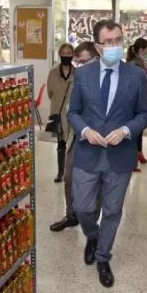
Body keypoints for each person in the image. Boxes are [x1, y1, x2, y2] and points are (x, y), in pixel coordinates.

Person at [67, 20, 147, 288]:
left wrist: (126, 130)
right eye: (109, 42)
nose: (115, 45)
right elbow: (73, 112)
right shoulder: (83, 74)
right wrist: (85, 131)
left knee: (113, 211)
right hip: (88, 152)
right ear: (97, 47)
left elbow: (144, 114)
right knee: (83, 208)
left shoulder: (135, 75)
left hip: (120, 156)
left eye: (118, 40)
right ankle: (93, 236)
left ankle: (103, 257)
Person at [50, 41, 98, 232]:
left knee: (94, 182)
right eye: (78, 62)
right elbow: (71, 106)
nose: (79, 65)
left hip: (98, 139)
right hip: (77, 135)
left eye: (83, 61)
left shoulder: (104, 79)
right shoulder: (79, 78)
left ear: (96, 58)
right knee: (69, 177)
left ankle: (91, 220)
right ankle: (71, 215)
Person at [47, 43, 74, 183]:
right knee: (61, 143)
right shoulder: (53, 73)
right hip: (57, 112)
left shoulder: (78, 73)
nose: (66, 56)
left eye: (69, 53)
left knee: (73, 143)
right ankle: (60, 172)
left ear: (73, 55)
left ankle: (71, 171)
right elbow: (50, 93)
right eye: (63, 53)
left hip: (73, 113)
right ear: (59, 54)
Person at [126, 37, 147, 169]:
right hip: (134, 99)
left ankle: (138, 152)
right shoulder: (133, 63)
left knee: (140, 127)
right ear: (142, 49)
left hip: (141, 97)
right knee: (135, 128)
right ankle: (133, 157)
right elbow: (135, 82)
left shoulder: (140, 61)